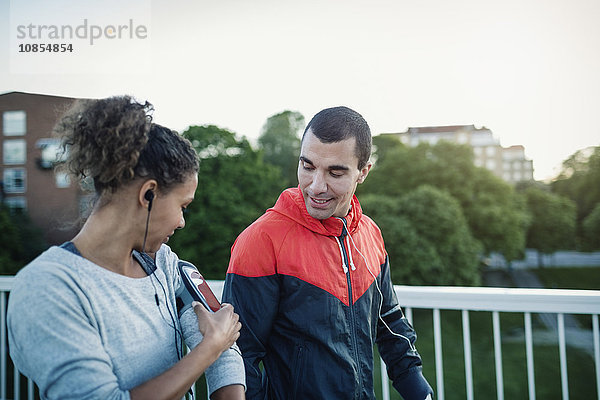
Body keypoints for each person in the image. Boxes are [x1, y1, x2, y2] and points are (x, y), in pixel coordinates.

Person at [7, 96, 246, 400]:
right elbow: (216, 342)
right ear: (148, 194)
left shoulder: (163, 264)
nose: (182, 222)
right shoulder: (47, 288)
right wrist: (207, 350)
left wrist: (216, 348)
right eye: (182, 206)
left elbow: (224, 341)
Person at [222, 106, 434, 399]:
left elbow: (389, 320)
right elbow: (238, 356)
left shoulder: (370, 233)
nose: (316, 186)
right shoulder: (260, 240)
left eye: (335, 173)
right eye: (307, 167)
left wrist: (418, 389)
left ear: (363, 172)